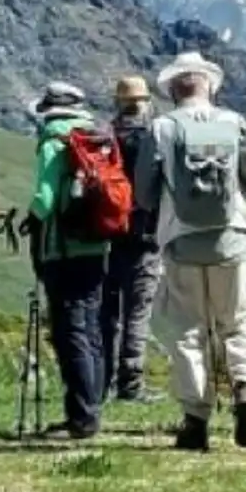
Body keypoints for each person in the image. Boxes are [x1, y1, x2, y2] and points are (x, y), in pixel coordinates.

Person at [133, 51, 246, 452]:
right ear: (209, 85)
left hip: (181, 241)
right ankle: (245, 388)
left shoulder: (162, 128)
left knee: (189, 329)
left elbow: (143, 193)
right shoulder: (235, 123)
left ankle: (196, 418)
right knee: (239, 320)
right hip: (233, 239)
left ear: (174, 89)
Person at [26, 81, 113, 439]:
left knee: (70, 331)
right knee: (90, 328)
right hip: (97, 245)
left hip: (62, 250)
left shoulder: (53, 143)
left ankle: (81, 417)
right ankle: (91, 407)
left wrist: (30, 219)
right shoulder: (97, 140)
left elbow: (44, 200)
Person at [99, 74, 162, 404]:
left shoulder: (105, 136)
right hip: (146, 233)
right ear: (145, 101)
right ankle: (131, 382)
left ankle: (103, 380)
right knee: (138, 310)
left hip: (108, 232)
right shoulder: (153, 136)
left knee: (108, 309)